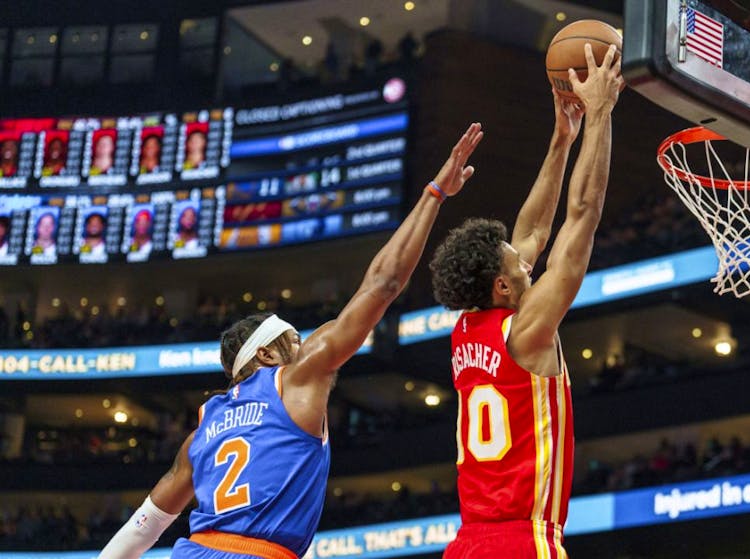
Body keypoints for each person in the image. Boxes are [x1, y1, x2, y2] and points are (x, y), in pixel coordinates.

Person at [97, 122, 484, 559]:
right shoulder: (295, 378)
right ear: (265, 353)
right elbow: (384, 283)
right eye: (293, 340)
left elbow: (144, 526)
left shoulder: (203, 430)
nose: (304, 347)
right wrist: (435, 193)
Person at [429, 45, 622, 558]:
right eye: (517, 262)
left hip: (466, 544)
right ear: (504, 288)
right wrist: (601, 113)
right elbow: (582, 213)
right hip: (522, 541)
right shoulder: (529, 331)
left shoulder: (469, 328)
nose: (525, 255)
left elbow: (535, 227)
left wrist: (563, 139)